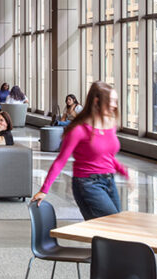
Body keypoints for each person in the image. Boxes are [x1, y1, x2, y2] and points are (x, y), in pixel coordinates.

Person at [32, 82, 129, 219]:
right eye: (111, 101)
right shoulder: (79, 130)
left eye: (115, 101)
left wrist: (124, 172)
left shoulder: (110, 126)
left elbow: (107, 156)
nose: (114, 105)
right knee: (112, 222)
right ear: (97, 101)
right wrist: (44, 190)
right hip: (87, 183)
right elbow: (60, 161)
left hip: (109, 180)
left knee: (112, 225)